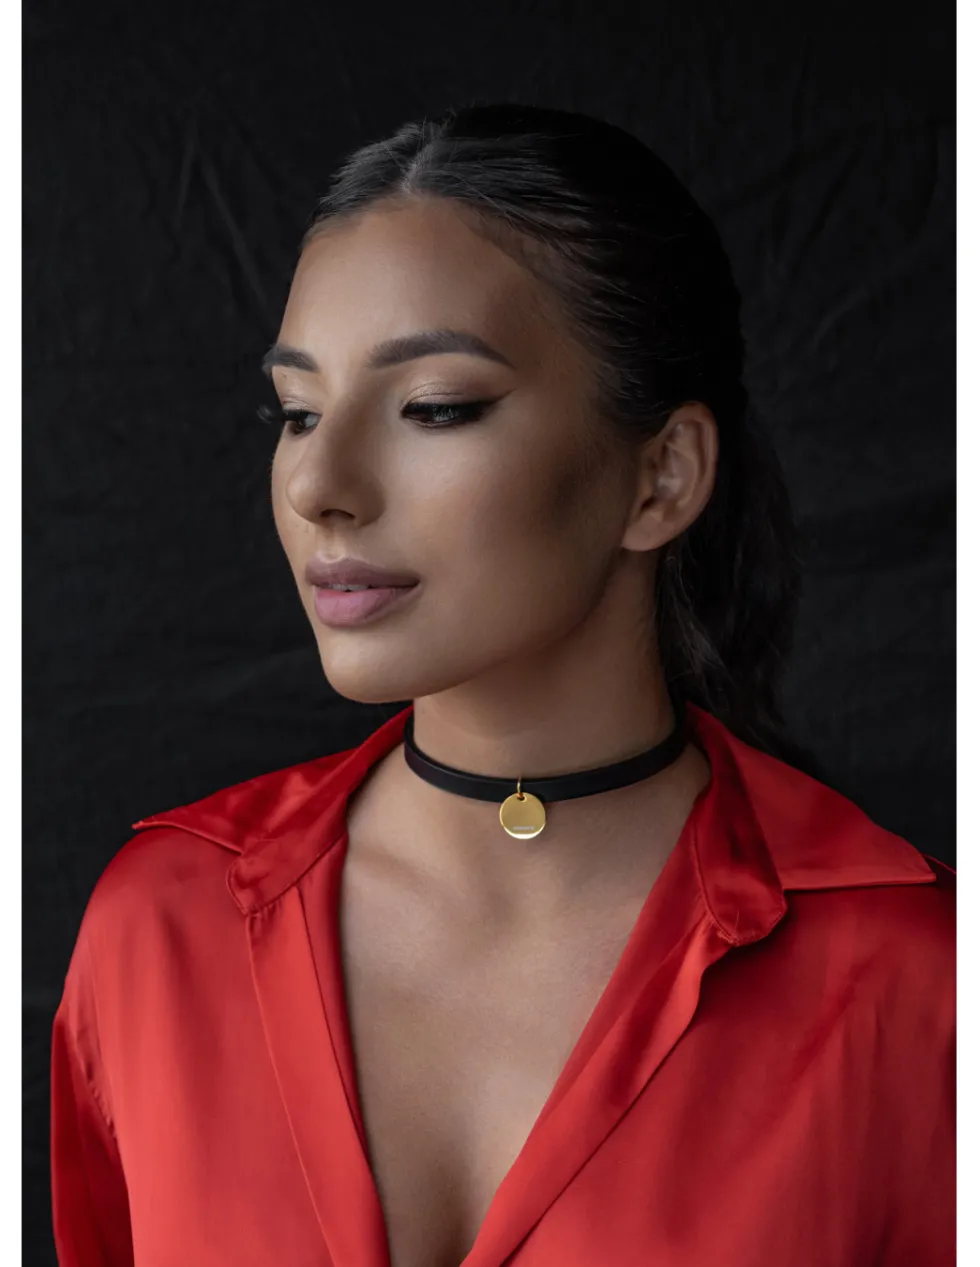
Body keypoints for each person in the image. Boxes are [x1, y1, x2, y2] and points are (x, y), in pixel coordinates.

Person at [50, 101, 955, 1267]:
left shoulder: (909, 979)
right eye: (297, 413)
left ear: (660, 477)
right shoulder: (160, 930)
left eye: (434, 407)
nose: (320, 484)